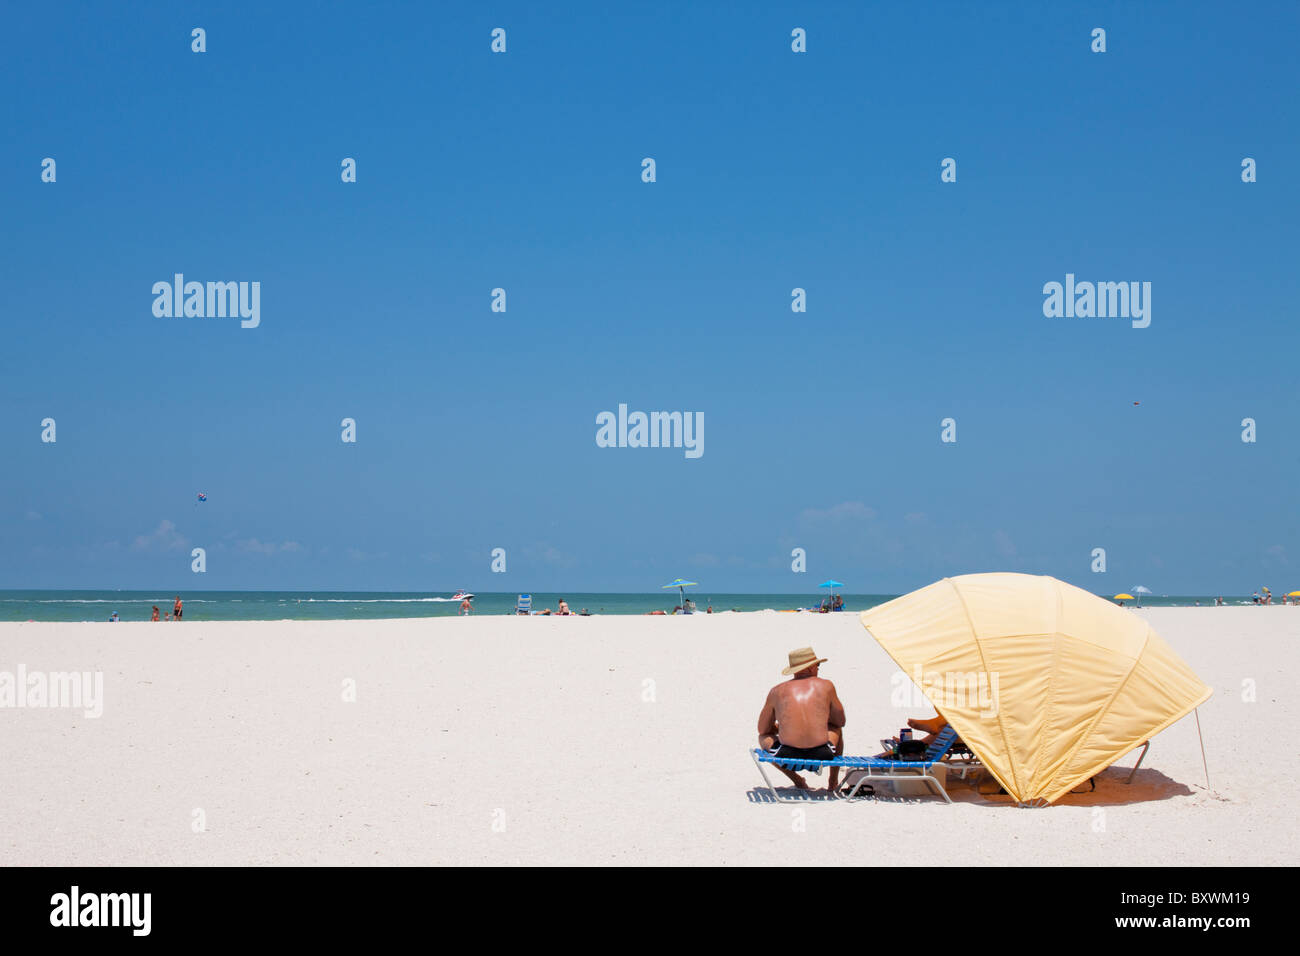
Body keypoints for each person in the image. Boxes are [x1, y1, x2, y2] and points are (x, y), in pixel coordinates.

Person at [757, 647, 846, 792]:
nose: (818, 669)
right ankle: (833, 781)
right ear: (810, 668)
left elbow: (762, 729)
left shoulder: (776, 691)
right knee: (837, 729)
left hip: (786, 755)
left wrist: (779, 728)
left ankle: (797, 779)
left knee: (763, 737)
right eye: (818, 665)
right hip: (822, 754)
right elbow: (840, 721)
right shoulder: (826, 685)